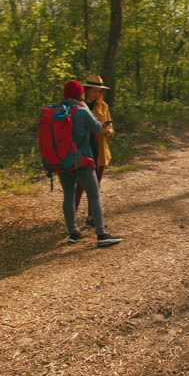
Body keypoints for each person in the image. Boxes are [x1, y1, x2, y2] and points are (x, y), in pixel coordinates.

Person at [56, 79, 122, 247]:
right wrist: (103, 127)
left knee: (68, 195)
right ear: (81, 92)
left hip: (62, 159)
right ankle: (101, 234)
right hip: (83, 158)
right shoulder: (82, 110)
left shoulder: (54, 110)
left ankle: (73, 232)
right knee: (94, 194)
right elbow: (98, 129)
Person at [75, 75, 114, 227]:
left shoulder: (103, 106)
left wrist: (107, 131)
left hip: (99, 152)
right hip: (82, 151)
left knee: (95, 186)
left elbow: (111, 131)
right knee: (79, 186)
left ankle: (92, 217)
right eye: (94, 90)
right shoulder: (78, 106)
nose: (96, 94)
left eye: (99, 91)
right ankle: (71, 219)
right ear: (86, 90)